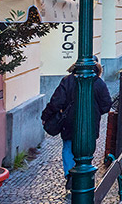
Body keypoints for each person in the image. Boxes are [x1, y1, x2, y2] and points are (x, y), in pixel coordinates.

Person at [41, 58, 112, 190]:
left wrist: (45, 115)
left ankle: (70, 174)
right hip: (90, 123)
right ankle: (83, 174)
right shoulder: (98, 82)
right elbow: (106, 104)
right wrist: (94, 112)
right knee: (87, 148)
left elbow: (56, 102)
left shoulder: (68, 80)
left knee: (68, 147)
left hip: (68, 122)